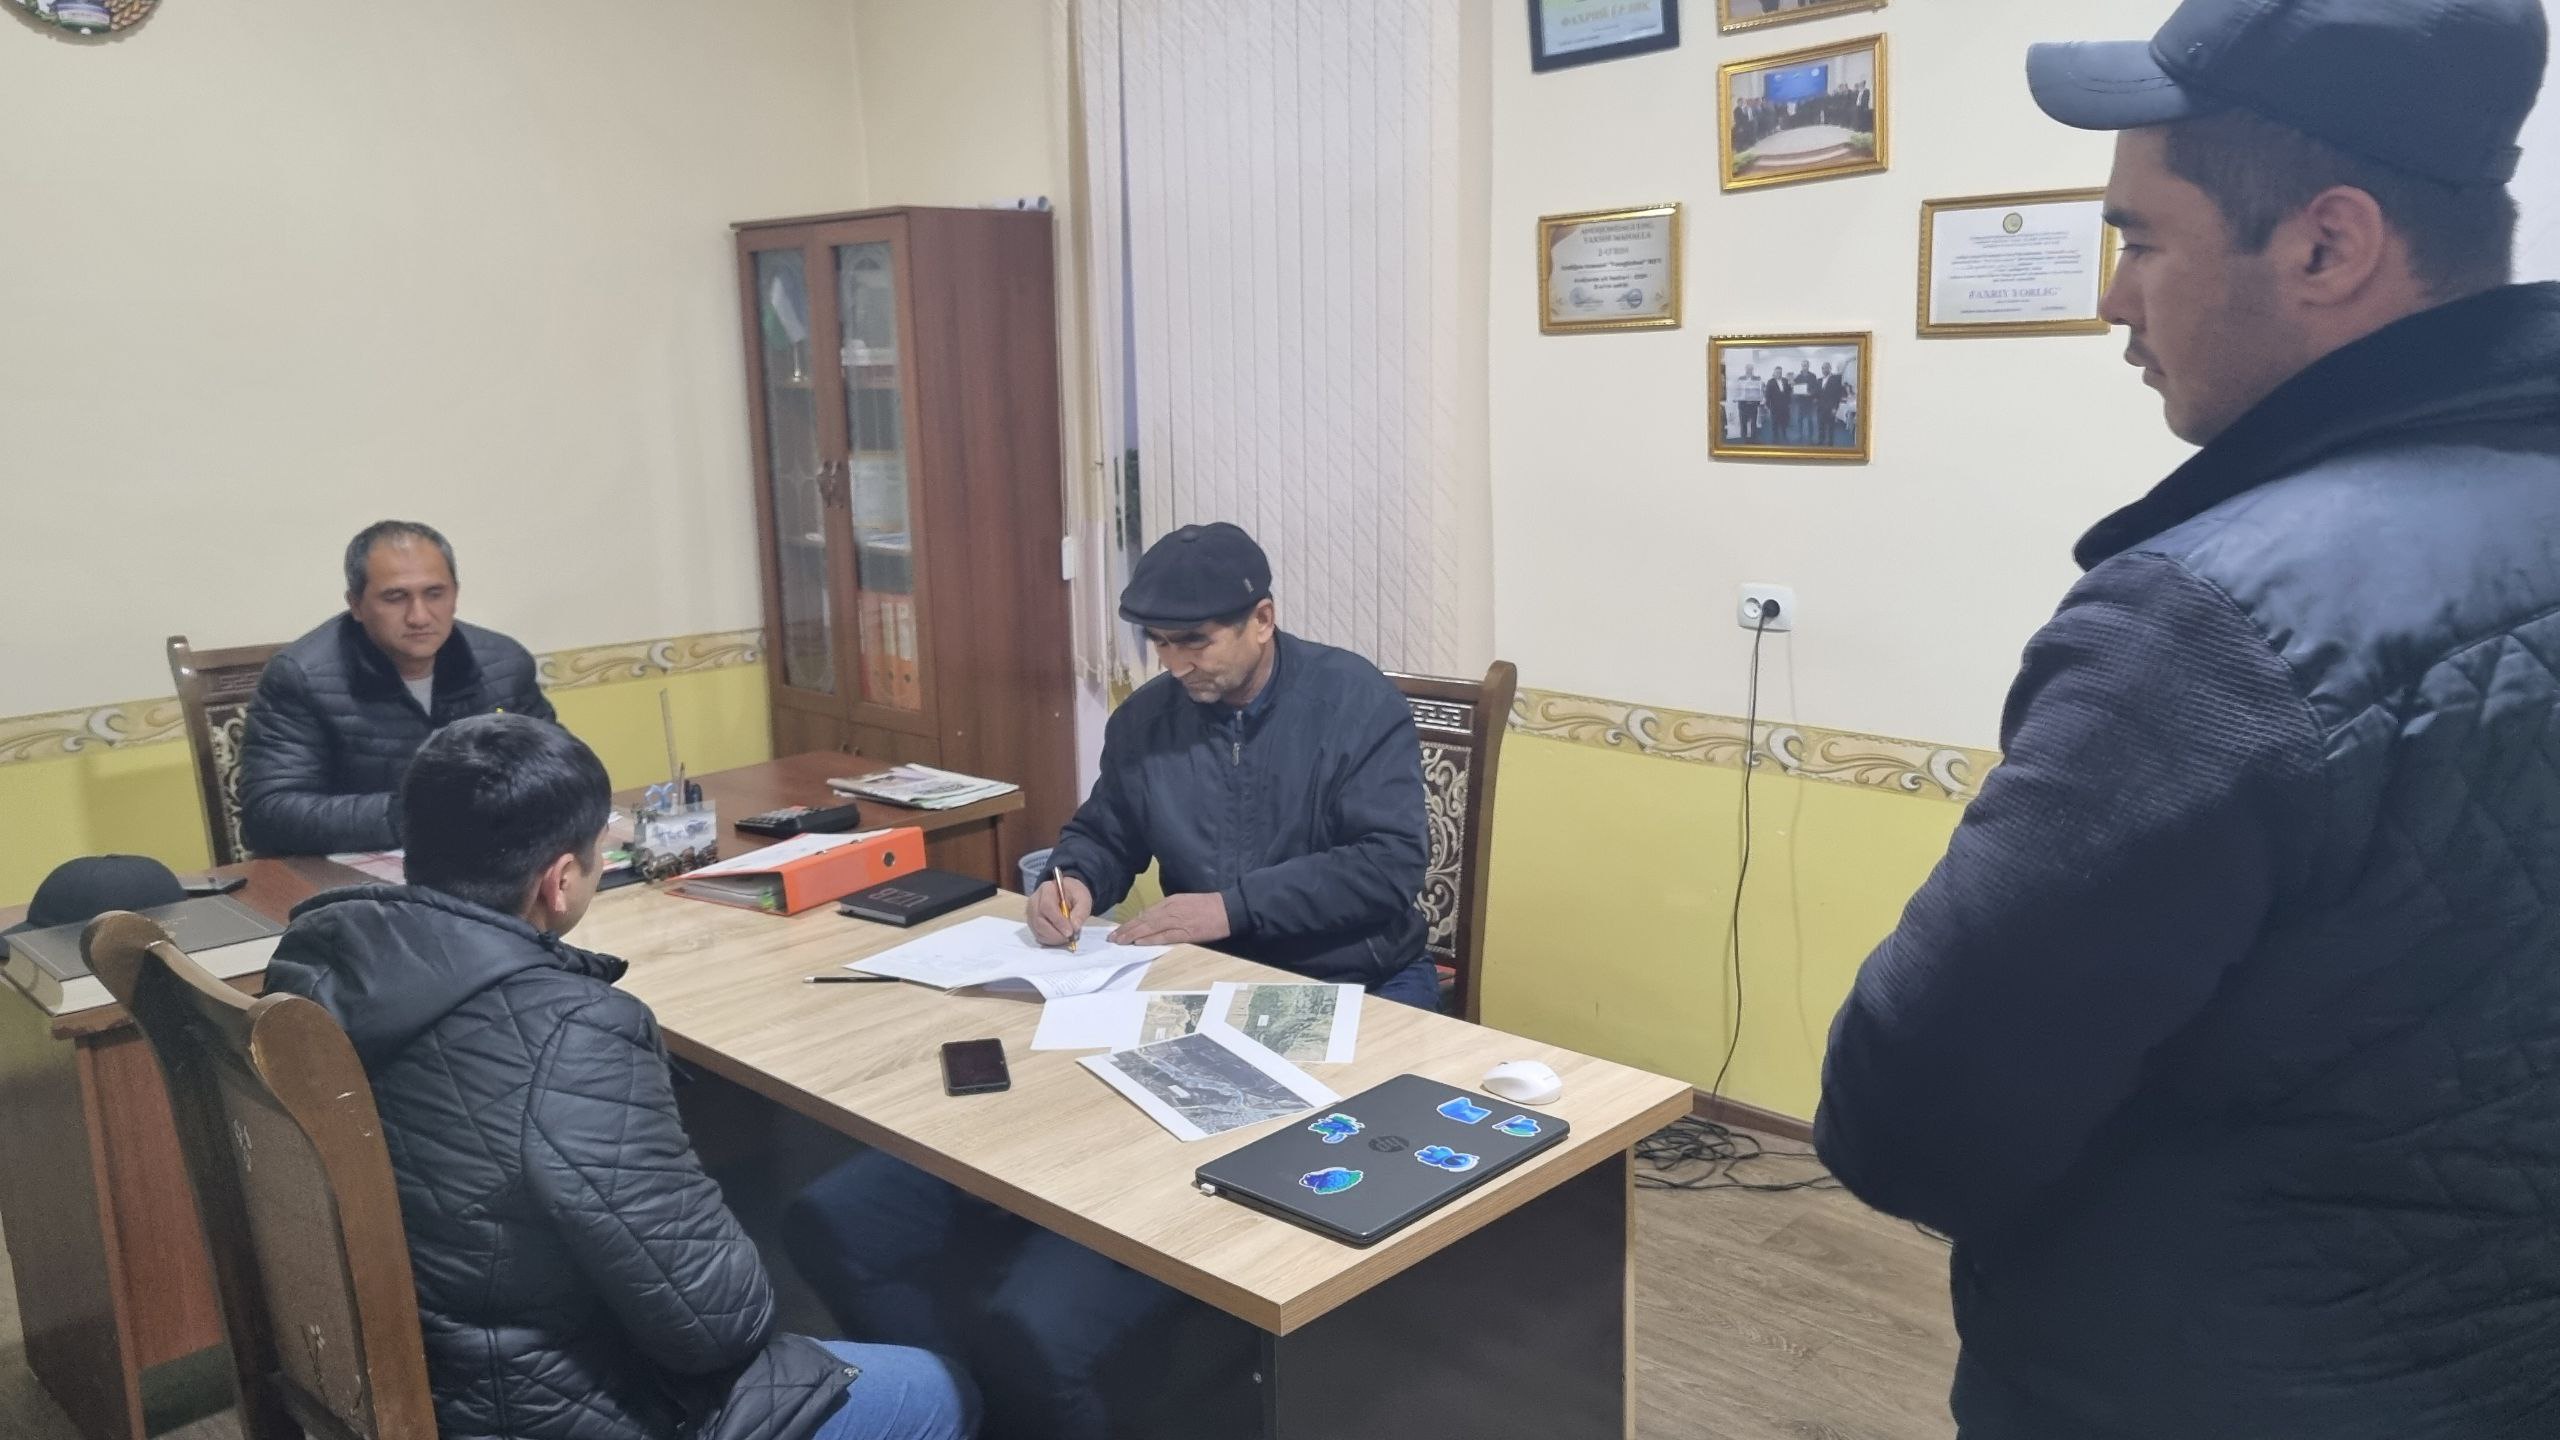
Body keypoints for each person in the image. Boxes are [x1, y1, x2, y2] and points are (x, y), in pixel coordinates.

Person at [1812, 1, 2560, 1436]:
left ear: (2327, 247)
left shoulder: (2211, 632)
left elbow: (1906, 1123)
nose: (2112, 300)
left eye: (2139, 240)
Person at [784, 521, 1430, 1440]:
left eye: (1194, 641)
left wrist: (1231, 907)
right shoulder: (1150, 720)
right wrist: (1073, 879)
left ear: (1263, 619)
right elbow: (1106, 831)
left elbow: (1388, 866)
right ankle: (971, 1398)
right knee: (865, 1209)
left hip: (1341, 987)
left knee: (1141, 1202)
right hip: (1192, 989)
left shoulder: (1353, 701)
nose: (1175, 664)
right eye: (1158, 643)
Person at [263, 716, 979, 1440]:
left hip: (409, 1369)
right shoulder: (573, 1031)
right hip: (543, 1409)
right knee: (940, 1389)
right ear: (559, 881)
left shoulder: (315, 962)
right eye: (598, 853)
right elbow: (720, 1324)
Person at [238, 520, 552, 857]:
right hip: (350, 873)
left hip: (490, 860)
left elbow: (559, 772)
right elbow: (269, 815)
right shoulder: (300, 677)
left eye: (435, 594)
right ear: (356, 605)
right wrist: (414, 813)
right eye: (395, 598)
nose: (419, 617)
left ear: (455, 595)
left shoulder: (504, 663)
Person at [1736, 365, 1765, 442]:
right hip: (1743, 405)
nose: (1749, 370)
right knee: (1743, 423)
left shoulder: (1757, 378)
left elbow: (1761, 390)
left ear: (1752, 369)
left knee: (1753, 423)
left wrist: (1762, 387)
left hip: (1753, 405)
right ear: (1745, 369)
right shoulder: (1740, 378)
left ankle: (1753, 439)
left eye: (1750, 369)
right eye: (1747, 369)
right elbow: (1737, 390)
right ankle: (1744, 439)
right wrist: (1736, 397)